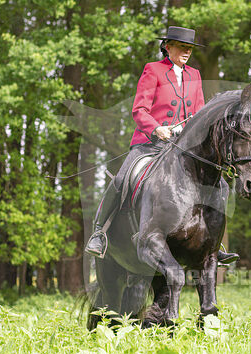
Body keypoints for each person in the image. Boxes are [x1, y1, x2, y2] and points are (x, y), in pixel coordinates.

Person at [85, 26, 239, 265]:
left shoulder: (195, 75)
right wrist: (157, 128)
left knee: (220, 185)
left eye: (190, 48)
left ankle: (213, 242)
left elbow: (198, 113)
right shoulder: (153, 70)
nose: (187, 52)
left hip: (183, 147)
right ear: (168, 47)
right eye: (182, 47)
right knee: (122, 178)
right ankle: (99, 232)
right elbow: (139, 110)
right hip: (151, 143)